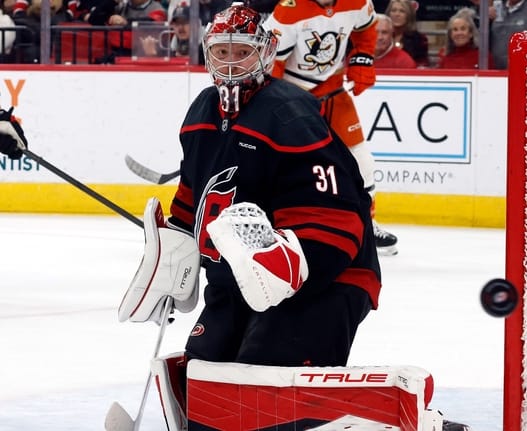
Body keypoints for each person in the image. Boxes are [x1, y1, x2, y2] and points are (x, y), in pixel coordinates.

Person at [117, 2, 382, 427]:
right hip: (240, 279)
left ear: (264, 52)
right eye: (222, 52)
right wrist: (177, 249)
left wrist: (289, 266)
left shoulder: (290, 114)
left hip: (326, 279)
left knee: (263, 388)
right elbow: (192, 195)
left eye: (241, 51)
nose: (231, 62)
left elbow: (339, 220)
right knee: (203, 375)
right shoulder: (202, 111)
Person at [263, 0, 400, 256]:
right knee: (287, 164)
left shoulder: (357, 2)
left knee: (361, 160)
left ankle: (366, 224)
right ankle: (277, 221)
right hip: (294, 94)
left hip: (334, 88)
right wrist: (274, 103)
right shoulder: (289, 9)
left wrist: (362, 57)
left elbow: (366, 28)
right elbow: (272, 62)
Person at [489, 0, 527, 69]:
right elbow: (482, 40)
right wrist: (487, 21)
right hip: (494, 71)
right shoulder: (497, 9)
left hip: (523, 71)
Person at [140, 5, 204, 62]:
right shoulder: (168, 48)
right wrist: (152, 56)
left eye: (185, 22)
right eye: (176, 23)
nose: (180, 27)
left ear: (196, 24)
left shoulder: (207, 48)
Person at [385, 0, 429, 67]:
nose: (397, 14)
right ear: (388, 14)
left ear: (409, 15)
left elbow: (422, 64)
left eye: (402, 11)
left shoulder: (419, 39)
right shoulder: (380, 36)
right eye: (393, 10)